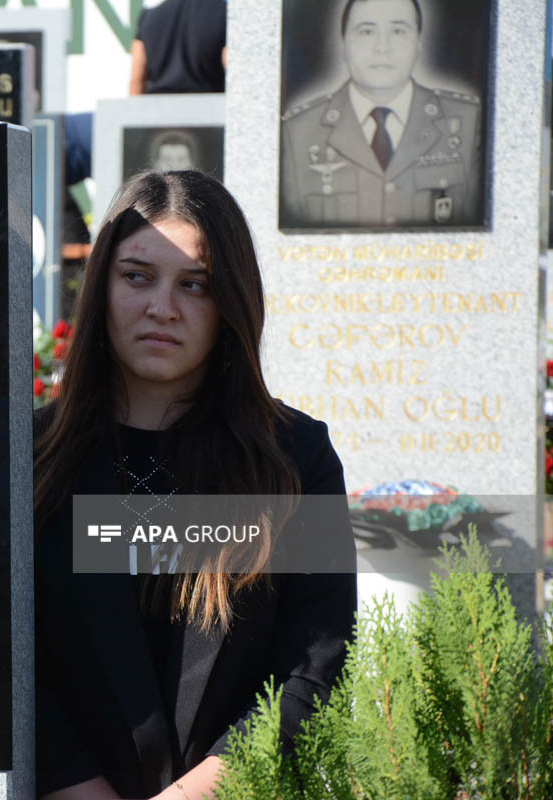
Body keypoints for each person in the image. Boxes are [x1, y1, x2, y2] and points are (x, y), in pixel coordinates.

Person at [34, 170, 356, 798]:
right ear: (100, 287)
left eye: (195, 284)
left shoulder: (296, 458)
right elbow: (2, 658)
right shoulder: (30, 458)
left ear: (230, 300)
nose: (163, 307)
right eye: (137, 276)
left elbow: (312, 666)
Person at [280, 0, 482, 229]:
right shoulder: (297, 132)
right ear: (344, 44)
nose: (383, 47)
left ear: (418, 43)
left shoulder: (468, 123)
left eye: (398, 31)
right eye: (366, 31)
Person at [128, 0, 227, 96]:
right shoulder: (224, 13)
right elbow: (235, 72)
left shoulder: (148, 16)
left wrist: (135, 111)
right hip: (209, 107)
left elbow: (136, 81)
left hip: (159, 107)